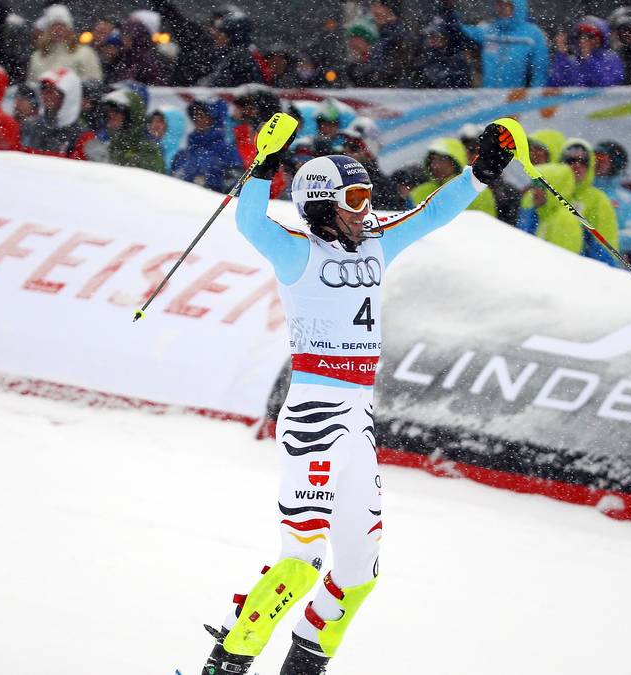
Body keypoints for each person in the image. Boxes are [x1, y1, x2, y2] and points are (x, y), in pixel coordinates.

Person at [203, 116, 516, 675]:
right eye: (354, 196)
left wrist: (480, 174)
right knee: (300, 565)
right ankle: (226, 662)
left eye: (368, 194)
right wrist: (265, 163)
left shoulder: (376, 246)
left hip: (359, 421)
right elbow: (249, 222)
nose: (366, 206)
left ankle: (304, 664)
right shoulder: (297, 252)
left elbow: (434, 215)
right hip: (315, 416)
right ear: (322, 204)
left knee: (357, 572)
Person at [438, 0, 549, 87]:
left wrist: (534, 98)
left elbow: (540, 71)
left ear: (517, 6)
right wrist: (448, 9)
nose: (501, 8)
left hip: (515, 98)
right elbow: (459, 32)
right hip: (489, 97)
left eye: (506, 4)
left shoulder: (533, 34)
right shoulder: (487, 29)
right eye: (498, 3)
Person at [559, 139, 620, 266]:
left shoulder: (598, 200)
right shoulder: (547, 192)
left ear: (591, 165)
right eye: (570, 161)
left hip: (578, 269)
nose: (577, 165)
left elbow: (606, 248)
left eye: (583, 162)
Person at [411, 138, 497, 217]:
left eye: (441, 160)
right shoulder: (419, 192)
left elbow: (486, 227)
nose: (435, 166)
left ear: (455, 163)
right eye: (433, 160)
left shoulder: (478, 192)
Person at [22, 67, 95, 160]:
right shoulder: (30, 126)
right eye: (43, 88)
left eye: (54, 89)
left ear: (69, 95)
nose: (46, 93)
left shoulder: (83, 136)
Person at [169, 99, 242, 192]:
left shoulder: (227, 150)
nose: (198, 119)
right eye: (195, 116)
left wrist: (209, 183)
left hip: (213, 202)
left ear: (212, 118)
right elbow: (173, 179)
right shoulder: (185, 152)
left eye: (202, 115)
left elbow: (235, 183)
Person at [84, 88, 164, 172]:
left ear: (131, 116)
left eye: (118, 111)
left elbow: (145, 180)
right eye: (108, 110)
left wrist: (106, 162)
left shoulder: (147, 149)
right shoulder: (111, 143)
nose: (111, 114)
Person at [593, 140, 631, 253]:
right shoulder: (581, 189)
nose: (596, 162)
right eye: (594, 157)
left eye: (601, 158)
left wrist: (597, 240)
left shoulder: (627, 200)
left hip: (604, 260)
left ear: (615, 164)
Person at [26, 5, 102, 83]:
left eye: (62, 26)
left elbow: (94, 82)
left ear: (69, 29)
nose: (58, 30)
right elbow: (31, 86)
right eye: (54, 26)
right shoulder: (37, 57)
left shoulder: (85, 53)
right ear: (47, 30)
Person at [518, 162, 583, 252]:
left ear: (556, 189)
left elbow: (562, 262)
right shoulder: (542, 214)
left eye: (541, 186)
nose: (535, 191)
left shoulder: (565, 220)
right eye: (534, 184)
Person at [343, 117, 405, 211]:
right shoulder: (338, 176)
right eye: (345, 144)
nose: (346, 151)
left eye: (353, 147)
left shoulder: (384, 189)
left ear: (369, 152)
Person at [550, 16, 625, 87]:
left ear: (601, 38)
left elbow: (606, 84)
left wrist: (589, 59)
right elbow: (557, 83)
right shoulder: (572, 61)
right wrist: (562, 55)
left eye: (590, 36)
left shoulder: (611, 59)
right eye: (580, 36)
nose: (583, 40)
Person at [200, 8, 265, 87]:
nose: (217, 36)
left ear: (233, 36)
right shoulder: (239, 53)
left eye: (222, 32)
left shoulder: (239, 57)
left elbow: (217, 84)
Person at [363, 0, 413, 88]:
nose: (374, 10)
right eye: (373, 6)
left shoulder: (398, 35)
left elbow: (399, 67)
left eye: (377, 6)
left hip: (397, 92)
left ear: (390, 9)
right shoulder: (384, 34)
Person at [109, 13, 168, 85]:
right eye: (123, 34)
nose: (123, 39)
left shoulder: (147, 63)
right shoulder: (122, 57)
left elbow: (155, 89)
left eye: (127, 34)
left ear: (136, 38)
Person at [412, 20, 472, 88]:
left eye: (435, 37)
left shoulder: (456, 56)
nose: (431, 40)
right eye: (429, 37)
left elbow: (460, 79)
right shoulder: (426, 55)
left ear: (445, 38)